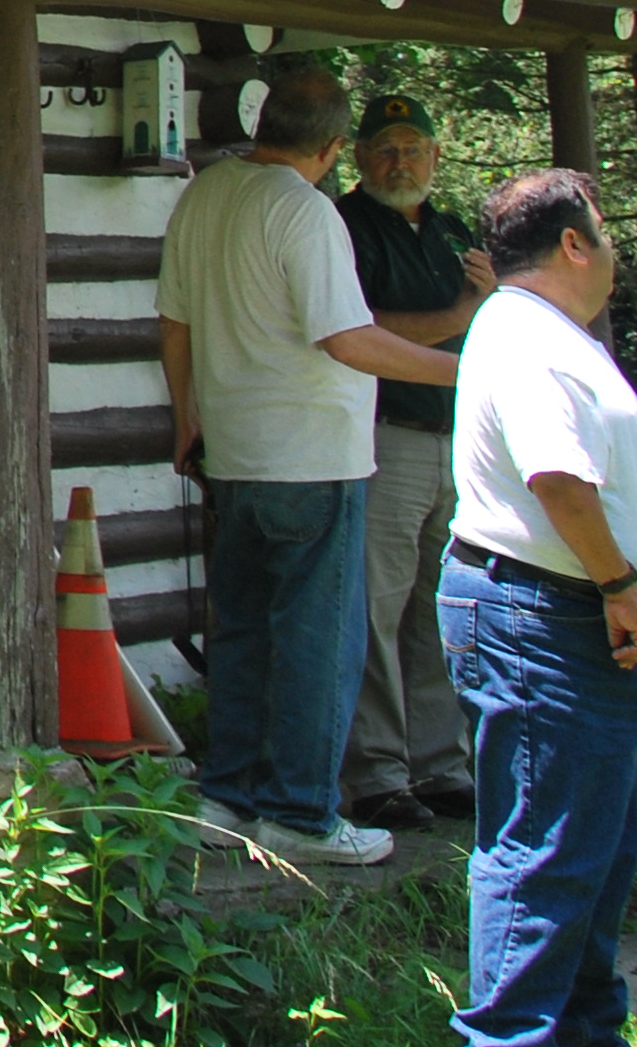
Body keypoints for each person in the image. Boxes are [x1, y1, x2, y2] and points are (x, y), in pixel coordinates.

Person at [159, 63, 465, 867]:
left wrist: (184, 414)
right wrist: (468, 368)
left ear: (263, 125)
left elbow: (175, 325)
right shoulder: (306, 210)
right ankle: (300, 813)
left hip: (233, 451)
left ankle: (227, 797)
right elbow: (346, 339)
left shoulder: (205, 193)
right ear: (335, 147)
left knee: (245, 633)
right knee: (317, 643)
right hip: (314, 458)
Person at [442, 168, 637, 1047]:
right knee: (542, 856)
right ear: (575, 243)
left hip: (567, 612)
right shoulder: (528, 337)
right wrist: (621, 584)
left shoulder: (540, 331)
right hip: (552, 617)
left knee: (594, 847)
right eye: (607, 230)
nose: (615, 249)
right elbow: (557, 478)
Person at [337, 91, 493, 831]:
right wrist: (464, 314)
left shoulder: (452, 233)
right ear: (361, 157)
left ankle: (441, 765)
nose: (401, 162)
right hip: (385, 434)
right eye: (386, 149)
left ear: (435, 156)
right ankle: (376, 774)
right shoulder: (344, 224)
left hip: (455, 439)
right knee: (378, 606)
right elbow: (360, 326)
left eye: (413, 148)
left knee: (440, 606)